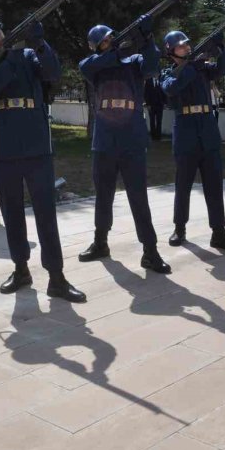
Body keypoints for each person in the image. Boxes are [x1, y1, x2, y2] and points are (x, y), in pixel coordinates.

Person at [0, 15, 86, 303]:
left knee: (46, 212)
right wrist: (6, 59)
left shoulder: (29, 55)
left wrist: (40, 43)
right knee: (12, 212)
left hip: (35, 144)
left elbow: (53, 73)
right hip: (5, 147)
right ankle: (21, 269)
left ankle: (56, 277)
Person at [77, 19, 171, 273]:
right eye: (106, 40)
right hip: (106, 138)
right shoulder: (92, 64)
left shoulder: (134, 61)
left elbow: (152, 66)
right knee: (103, 195)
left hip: (131, 137)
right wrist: (117, 50)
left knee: (139, 197)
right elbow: (90, 67)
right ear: (97, 46)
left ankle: (150, 251)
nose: (111, 42)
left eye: (113, 38)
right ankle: (100, 242)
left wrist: (148, 39)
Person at [161, 29, 225, 251]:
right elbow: (172, 88)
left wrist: (221, 48)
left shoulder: (202, 67)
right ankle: (180, 228)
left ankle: (219, 232)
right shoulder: (168, 73)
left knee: (214, 185)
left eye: (187, 44)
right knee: (183, 184)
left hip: (207, 130)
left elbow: (224, 69)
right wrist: (192, 66)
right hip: (185, 131)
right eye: (181, 45)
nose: (186, 47)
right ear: (171, 51)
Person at [144, 76, 164, 140]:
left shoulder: (162, 79)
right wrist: (148, 104)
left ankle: (158, 136)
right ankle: (153, 136)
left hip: (160, 105)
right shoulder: (148, 80)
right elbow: (146, 93)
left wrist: (165, 102)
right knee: (152, 121)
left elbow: (164, 92)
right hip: (151, 105)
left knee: (159, 121)